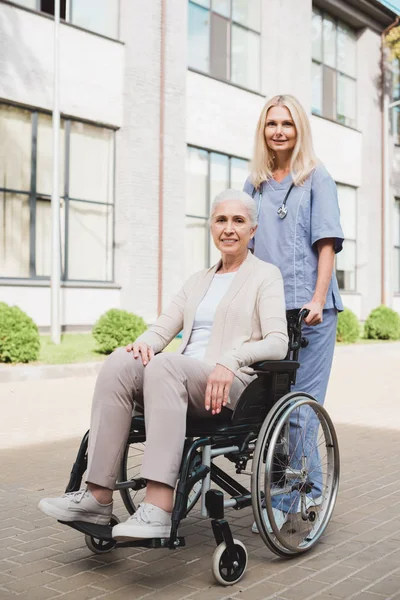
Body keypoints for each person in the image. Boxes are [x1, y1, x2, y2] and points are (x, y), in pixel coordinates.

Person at [38, 189, 288, 541]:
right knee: (121, 363)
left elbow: (279, 341)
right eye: (220, 220)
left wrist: (231, 359)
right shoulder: (198, 280)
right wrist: (143, 345)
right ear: (210, 227)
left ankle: (157, 505)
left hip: (229, 385)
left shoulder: (265, 275)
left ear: (253, 229)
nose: (228, 228)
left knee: (165, 366)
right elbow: (161, 329)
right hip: (176, 379)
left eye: (238, 220)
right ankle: (97, 497)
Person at [243, 94, 344, 533]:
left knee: (300, 406)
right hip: (268, 310)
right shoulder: (256, 183)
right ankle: (285, 483)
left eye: (286, 123)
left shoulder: (317, 178)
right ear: (263, 131)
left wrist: (319, 299)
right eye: (271, 124)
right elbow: (244, 247)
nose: (279, 131)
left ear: (298, 129)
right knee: (268, 406)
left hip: (311, 311)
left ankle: (304, 492)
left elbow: (326, 245)